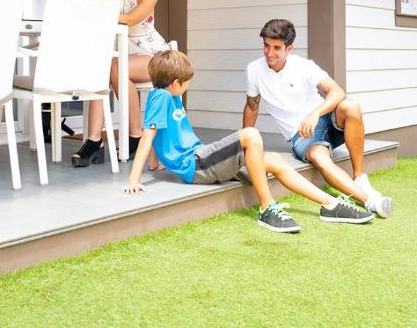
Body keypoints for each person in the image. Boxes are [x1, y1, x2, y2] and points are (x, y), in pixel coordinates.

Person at [124, 49, 375, 232]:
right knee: (251, 135)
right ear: (175, 83)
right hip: (197, 164)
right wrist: (134, 179)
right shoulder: (160, 96)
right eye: (187, 82)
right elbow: (149, 135)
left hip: (203, 157)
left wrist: (156, 165)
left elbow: (163, 135)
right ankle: (267, 208)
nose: (188, 86)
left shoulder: (172, 96)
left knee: (274, 160)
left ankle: (330, 204)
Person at [244, 19, 393, 218]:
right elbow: (252, 106)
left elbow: (337, 91)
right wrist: (244, 144)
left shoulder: (303, 66)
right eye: (266, 46)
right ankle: (370, 201)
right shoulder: (254, 70)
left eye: (277, 48)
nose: (270, 53)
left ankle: (359, 176)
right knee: (320, 158)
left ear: (289, 48)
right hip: (302, 134)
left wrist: (315, 114)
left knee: (351, 106)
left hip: (322, 119)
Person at [71, 0, 170, 167]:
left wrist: (101, 14)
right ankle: (96, 140)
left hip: (154, 55)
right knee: (107, 70)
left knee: (113, 68)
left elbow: (132, 19)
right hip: (122, 58)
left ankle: (130, 135)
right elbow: (99, 22)